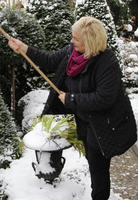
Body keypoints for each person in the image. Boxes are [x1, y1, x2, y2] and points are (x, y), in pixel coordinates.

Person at [8, 16, 137, 200]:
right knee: (94, 163)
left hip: (105, 124)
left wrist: (71, 99)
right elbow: (50, 60)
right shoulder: (72, 53)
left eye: (76, 38)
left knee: (99, 166)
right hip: (84, 119)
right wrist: (24, 48)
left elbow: (104, 98)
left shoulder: (106, 62)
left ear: (90, 42)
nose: (71, 41)